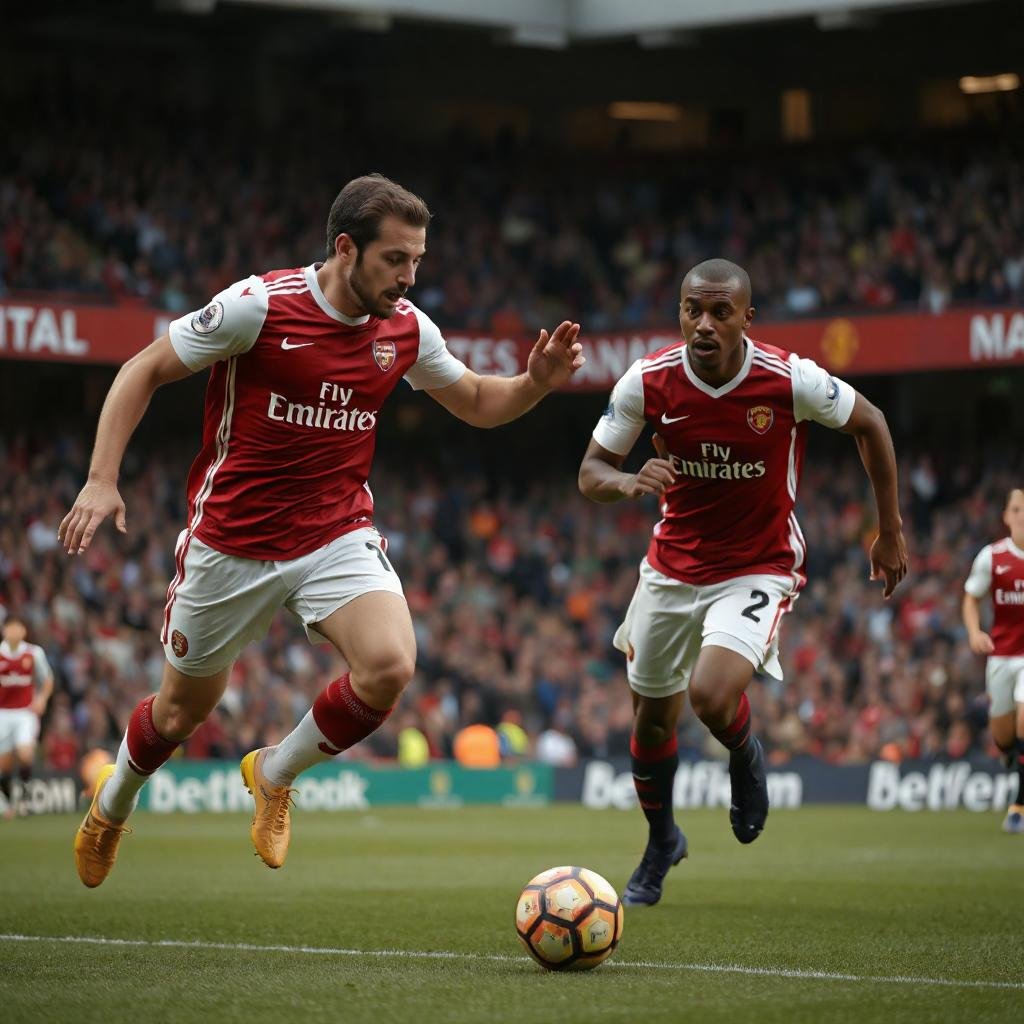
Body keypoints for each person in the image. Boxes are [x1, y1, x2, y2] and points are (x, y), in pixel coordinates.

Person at [59, 173, 583, 888]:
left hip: (334, 532)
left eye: (417, 261)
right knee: (179, 714)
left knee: (391, 664)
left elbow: (476, 400)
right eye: (395, 260)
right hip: (230, 543)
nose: (409, 277)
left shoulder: (405, 327)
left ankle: (274, 774)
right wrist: (100, 477)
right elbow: (142, 368)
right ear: (345, 247)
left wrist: (535, 384)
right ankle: (112, 807)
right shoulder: (259, 307)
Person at [578, 258, 907, 906]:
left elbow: (871, 423)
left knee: (711, 693)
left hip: (758, 564)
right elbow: (592, 469)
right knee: (647, 725)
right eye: (692, 309)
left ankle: (745, 752)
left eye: (720, 311)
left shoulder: (788, 381)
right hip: (672, 567)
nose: (704, 323)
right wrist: (627, 481)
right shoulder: (648, 381)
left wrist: (889, 529)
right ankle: (662, 840)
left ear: (746, 318)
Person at [962, 487, 1024, 834]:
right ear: (1006, 515)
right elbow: (971, 598)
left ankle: (1019, 806)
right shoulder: (993, 556)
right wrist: (974, 632)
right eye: (1016, 508)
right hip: (1001, 655)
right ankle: (1011, 758)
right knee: (1004, 737)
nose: (1021, 515)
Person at [0, 616, 54, 818]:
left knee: (25, 755)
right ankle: (8, 805)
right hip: (3, 713)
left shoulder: (33, 653)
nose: (14, 632)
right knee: (3, 765)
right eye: (10, 628)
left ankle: (23, 800)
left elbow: (47, 678)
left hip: (25, 712)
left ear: (24, 631)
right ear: (4, 630)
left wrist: (42, 699)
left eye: (18, 627)